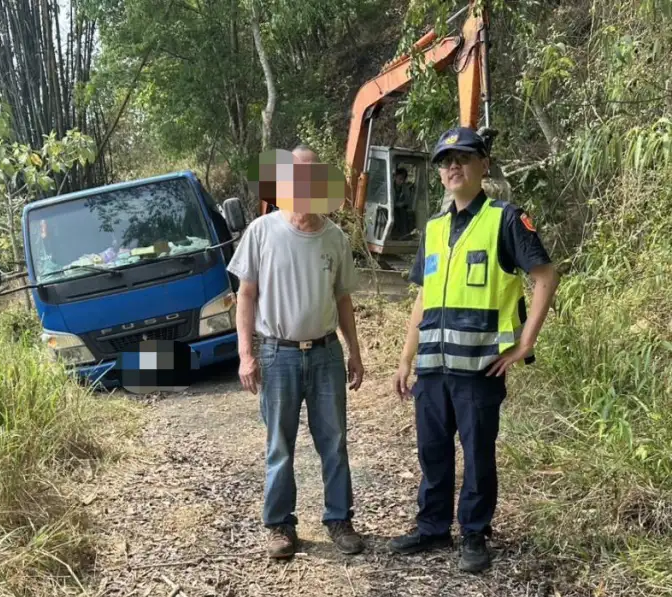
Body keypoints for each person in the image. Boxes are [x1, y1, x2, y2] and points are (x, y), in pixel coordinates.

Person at [389, 127, 559, 573]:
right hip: (432, 365)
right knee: (433, 449)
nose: (452, 167)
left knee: (478, 453)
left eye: (462, 158)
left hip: (480, 367)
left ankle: (475, 534)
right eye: (445, 161)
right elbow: (423, 299)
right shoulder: (433, 227)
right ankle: (432, 528)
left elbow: (545, 276)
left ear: (483, 164)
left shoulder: (505, 219)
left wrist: (526, 343)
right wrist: (406, 357)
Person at [227, 144, 366, 559]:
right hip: (277, 355)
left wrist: (353, 352)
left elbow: (343, 300)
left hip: (324, 355)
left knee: (334, 440)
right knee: (279, 443)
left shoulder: (335, 238)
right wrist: (245, 353)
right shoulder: (262, 231)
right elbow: (245, 296)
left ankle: (339, 519)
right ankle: (280, 526)